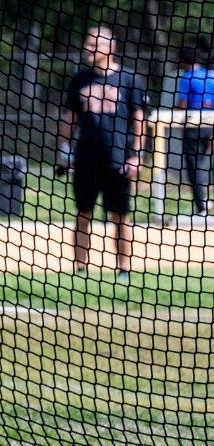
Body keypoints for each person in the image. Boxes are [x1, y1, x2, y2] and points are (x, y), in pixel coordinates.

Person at [59, 26, 146, 282]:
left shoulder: (130, 79)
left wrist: (137, 155)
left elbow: (138, 119)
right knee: (83, 214)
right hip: (86, 158)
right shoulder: (80, 79)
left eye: (94, 44)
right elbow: (70, 118)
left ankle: (123, 270)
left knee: (120, 217)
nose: (88, 49)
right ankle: (80, 270)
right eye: (87, 44)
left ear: (110, 47)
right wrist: (64, 150)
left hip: (118, 161)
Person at [177, 40, 214, 219]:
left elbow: (183, 104)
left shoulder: (187, 77)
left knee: (194, 168)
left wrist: (174, 113)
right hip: (209, 126)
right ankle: (204, 202)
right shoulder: (211, 76)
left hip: (193, 127)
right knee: (201, 165)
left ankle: (202, 206)